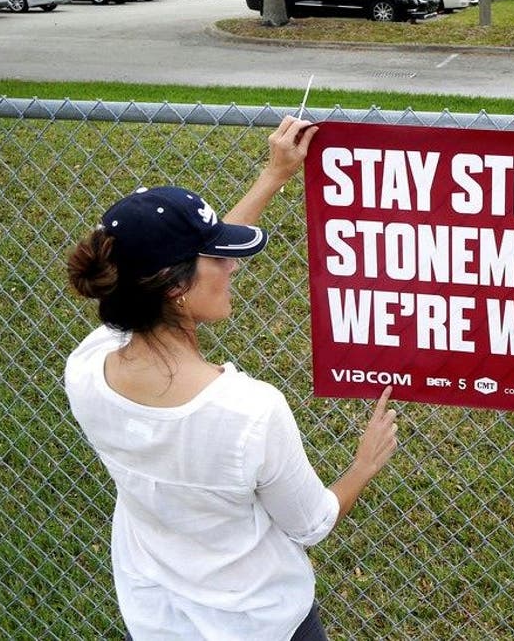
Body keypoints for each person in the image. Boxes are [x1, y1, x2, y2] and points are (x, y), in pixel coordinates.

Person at [64, 116, 399, 640]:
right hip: (260, 625)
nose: (232, 266)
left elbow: (174, 270)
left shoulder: (87, 367)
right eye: (216, 258)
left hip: (155, 622)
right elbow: (312, 524)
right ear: (175, 287)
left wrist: (274, 176)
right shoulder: (249, 412)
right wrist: (363, 464)